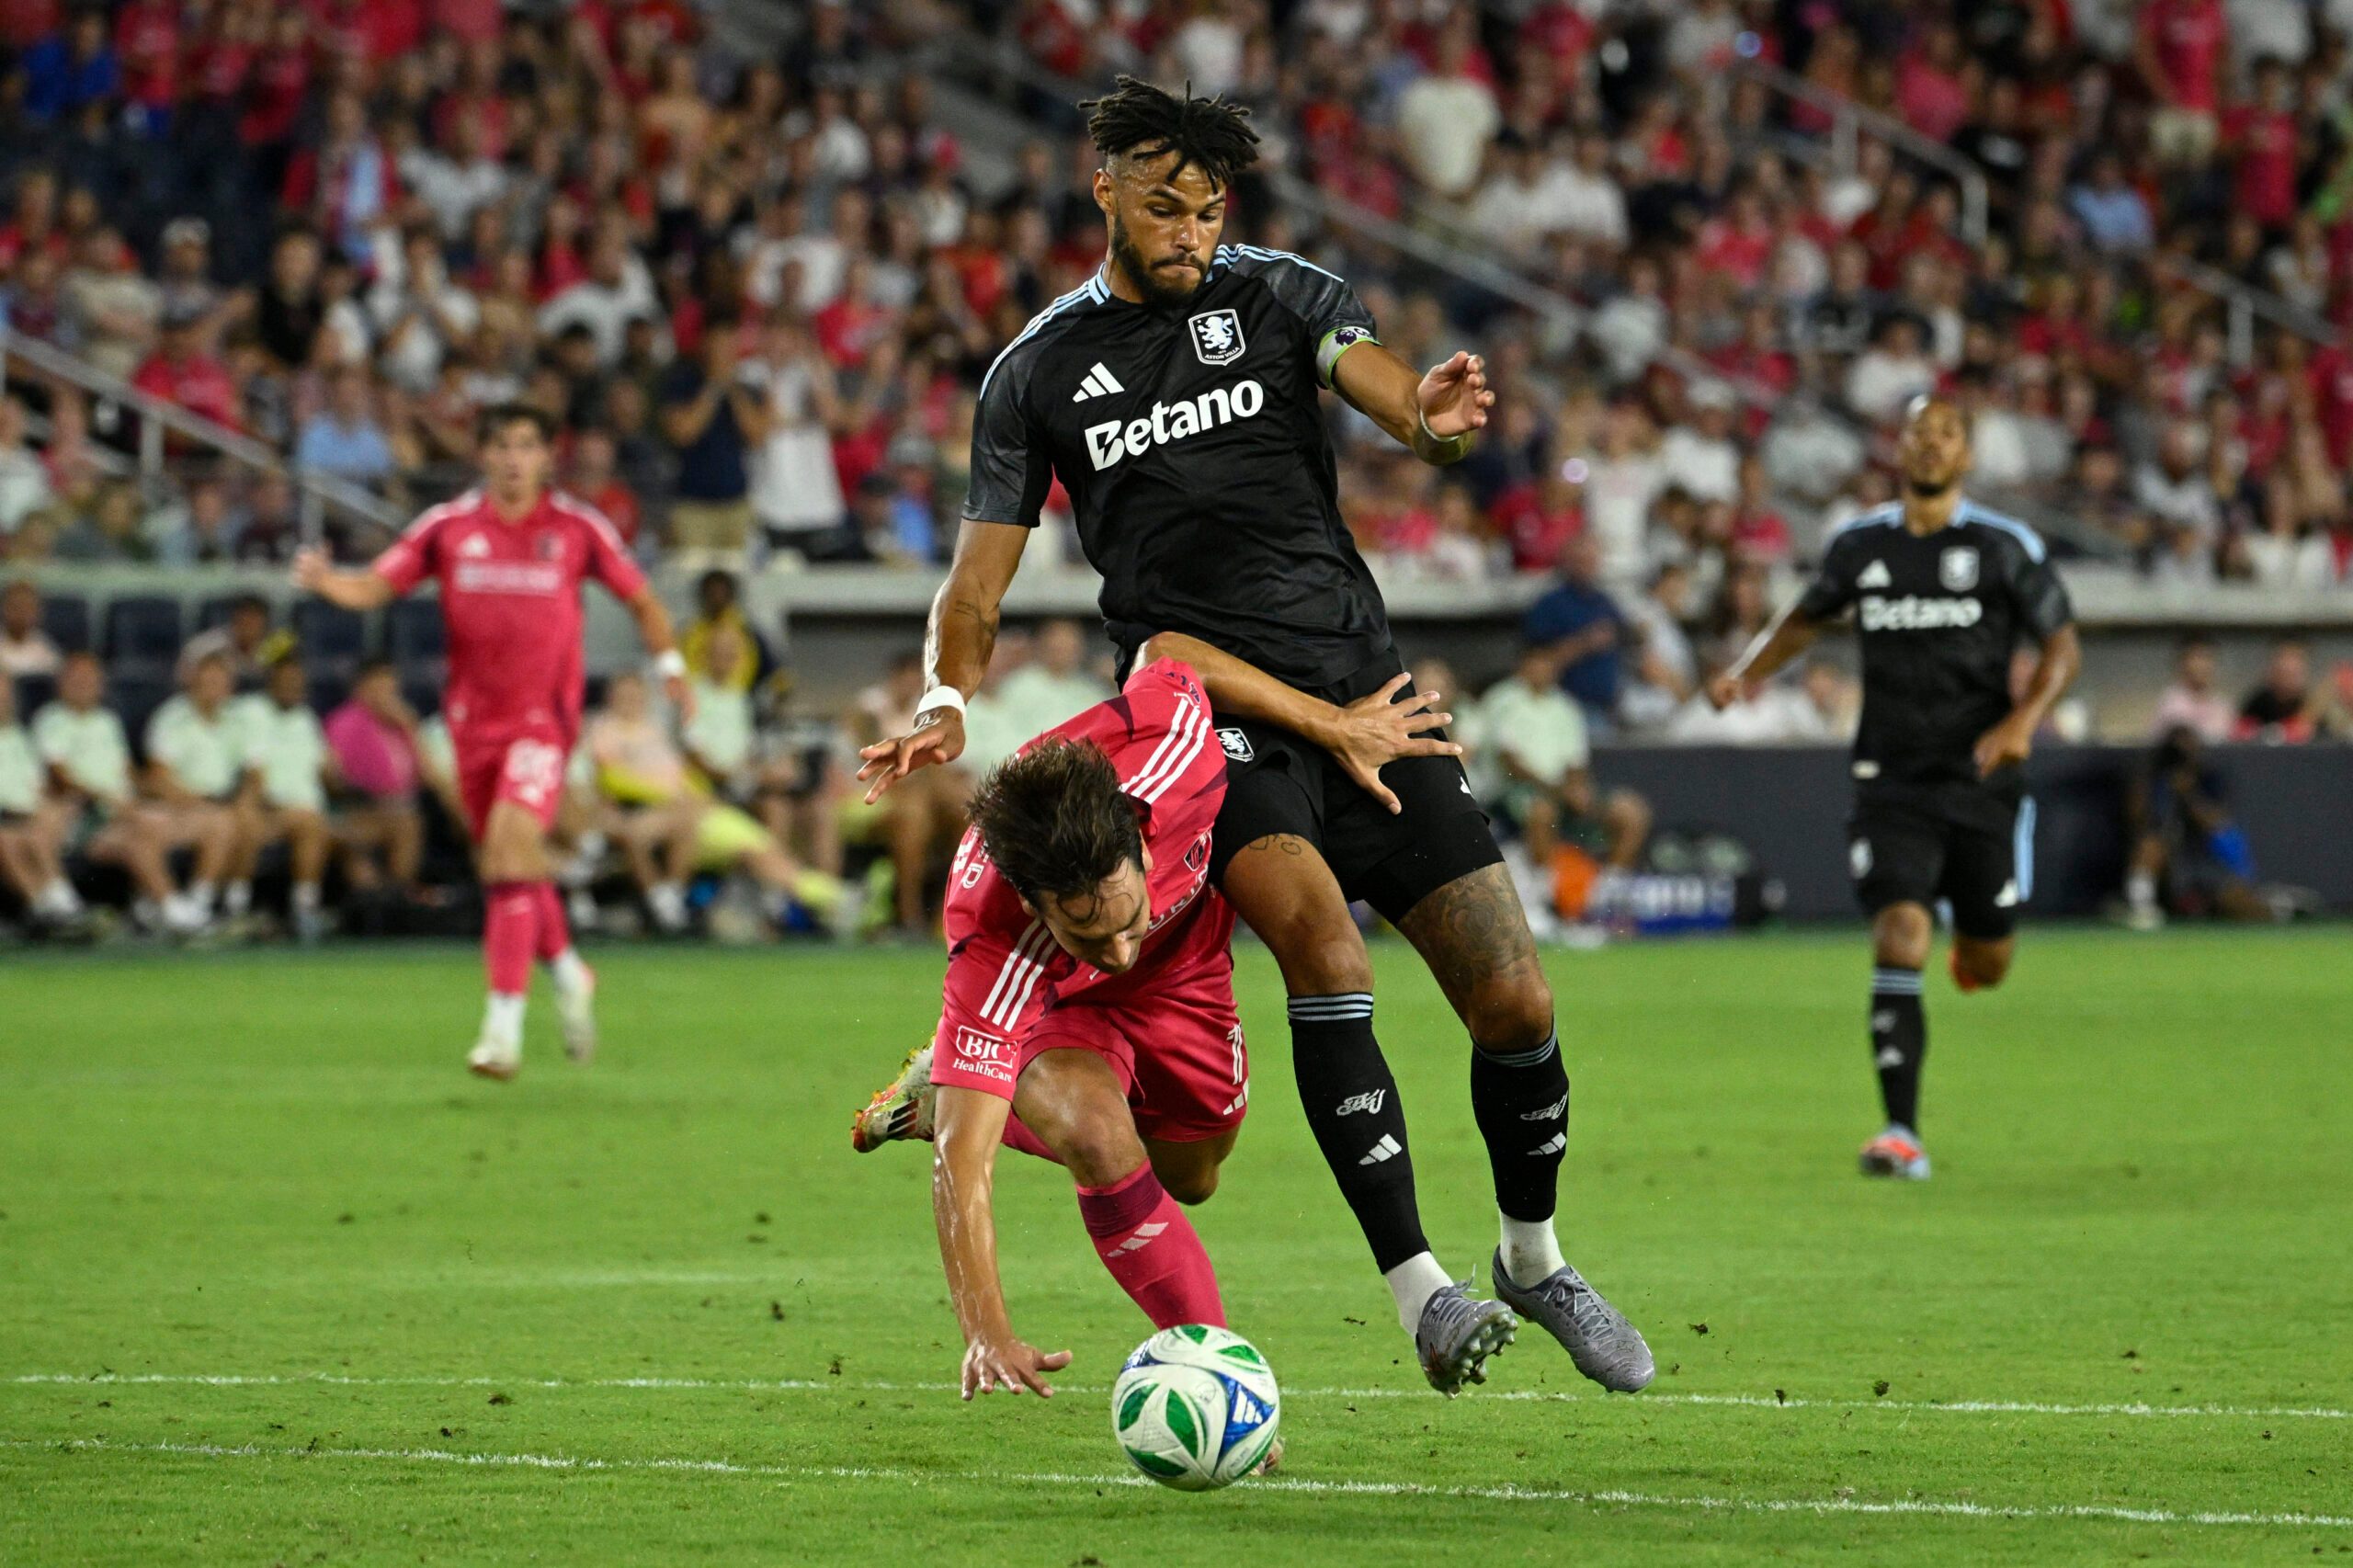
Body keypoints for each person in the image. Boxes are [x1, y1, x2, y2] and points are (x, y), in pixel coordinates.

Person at [857, 77, 1652, 1397]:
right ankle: (1425, 1295)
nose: (1191, 226)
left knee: (1516, 996)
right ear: (1101, 185)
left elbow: (1381, 385)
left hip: (1368, 697)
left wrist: (1431, 422)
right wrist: (946, 699)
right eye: (1165, 203)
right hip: (1211, 723)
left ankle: (1531, 1257)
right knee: (1325, 947)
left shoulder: (1277, 292)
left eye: (1210, 204)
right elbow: (975, 591)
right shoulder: (1037, 372)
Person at [853, 655, 1435, 1413]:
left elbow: (1174, 654)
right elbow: (964, 1168)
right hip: (1058, 1014)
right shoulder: (989, 943)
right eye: (1088, 936)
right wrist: (986, 1330)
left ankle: (946, 1088)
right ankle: (1223, 1388)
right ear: (1036, 908)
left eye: (1126, 921)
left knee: (1193, 1176)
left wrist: (1332, 723)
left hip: (1188, 976)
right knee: (1098, 1140)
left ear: (1142, 839)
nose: (1117, 950)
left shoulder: (1177, 746)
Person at [1708, 396, 2080, 1181]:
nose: (1931, 444)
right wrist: (1746, 676)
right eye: (1918, 432)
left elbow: (2062, 646)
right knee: (1899, 934)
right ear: (1899, 449)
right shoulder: (1860, 545)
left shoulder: (2002, 545)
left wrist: (2024, 720)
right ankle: (1900, 1132)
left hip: (1982, 779)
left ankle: (1971, 942)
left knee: (1990, 961)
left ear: (1967, 455)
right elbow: (1805, 620)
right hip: (1892, 780)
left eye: (1947, 432)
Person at [294, 402, 690, 1080]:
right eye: (501, 445)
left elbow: (643, 599)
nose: (513, 458)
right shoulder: (448, 528)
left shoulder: (575, 529)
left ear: (545, 457)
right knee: (510, 866)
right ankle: (568, 968)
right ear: (483, 456)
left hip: (544, 723)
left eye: (527, 445)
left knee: (509, 851)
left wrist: (672, 668)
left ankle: (501, 1030)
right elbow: (376, 585)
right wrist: (326, 581)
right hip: (473, 727)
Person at [33, 652, 212, 934]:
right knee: (140, 836)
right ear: (62, 683)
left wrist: (156, 792)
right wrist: (108, 800)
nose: (84, 685)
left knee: (184, 819)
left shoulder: (107, 721)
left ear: (101, 684)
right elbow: (60, 779)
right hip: (86, 817)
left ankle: (152, 904)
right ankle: (170, 908)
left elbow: (128, 773)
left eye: (91, 679)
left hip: (123, 811)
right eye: (77, 679)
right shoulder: (51, 720)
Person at [230, 654, 332, 942]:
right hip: (267, 807)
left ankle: (304, 909)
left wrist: (337, 770)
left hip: (306, 811)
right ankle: (235, 909)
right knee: (250, 815)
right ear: (270, 683)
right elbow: (254, 773)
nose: (291, 688)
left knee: (313, 822)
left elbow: (329, 776)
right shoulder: (252, 712)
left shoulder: (307, 720)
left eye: (297, 684)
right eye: (285, 682)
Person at [142, 649, 249, 924]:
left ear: (229, 687)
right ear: (193, 682)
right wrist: (194, 803)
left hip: (221, 803)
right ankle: (197, 904)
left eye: (220, 682)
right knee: (221, 822)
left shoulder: (237, 721)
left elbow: (254, 772)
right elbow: (158, 777)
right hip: (179, 805)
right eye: (208, 681)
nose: (214, 688)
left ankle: (229, 905)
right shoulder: (172, 717)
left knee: (243, 819)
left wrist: (243, 800)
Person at [322, 661, 424, 897]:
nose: (387, 692)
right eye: (379, 685)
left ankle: (396, 898)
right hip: (358, 809)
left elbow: (425, 776)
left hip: (400, 808)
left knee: (409, 821)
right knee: (404, 825)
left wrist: (410, 727)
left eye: (390, 686)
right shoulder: (346, 722)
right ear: (361, 688)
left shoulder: (401, 724)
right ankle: (386, 901)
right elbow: (335, 777)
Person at [0, 671, 85, 931]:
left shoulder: (18, 736)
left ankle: (50, 910)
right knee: (8, 839)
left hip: (32, 817)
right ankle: (61, 908)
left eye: (6, 692)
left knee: (44, 819)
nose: (3, 698)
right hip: (8, 818)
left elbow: (38, 787)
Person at [2149, 635, 2234, 743]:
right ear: (2182, 663)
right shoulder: (2171, 704)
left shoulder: (2222, 706)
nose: (2202, 665)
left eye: (2207, 658)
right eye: (2196, 658)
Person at [0, 577, 62, 678]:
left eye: (27, 607)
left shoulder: (48, 652)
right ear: (4, 609)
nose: (21, 613)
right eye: (16, 606)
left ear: (38, 613)